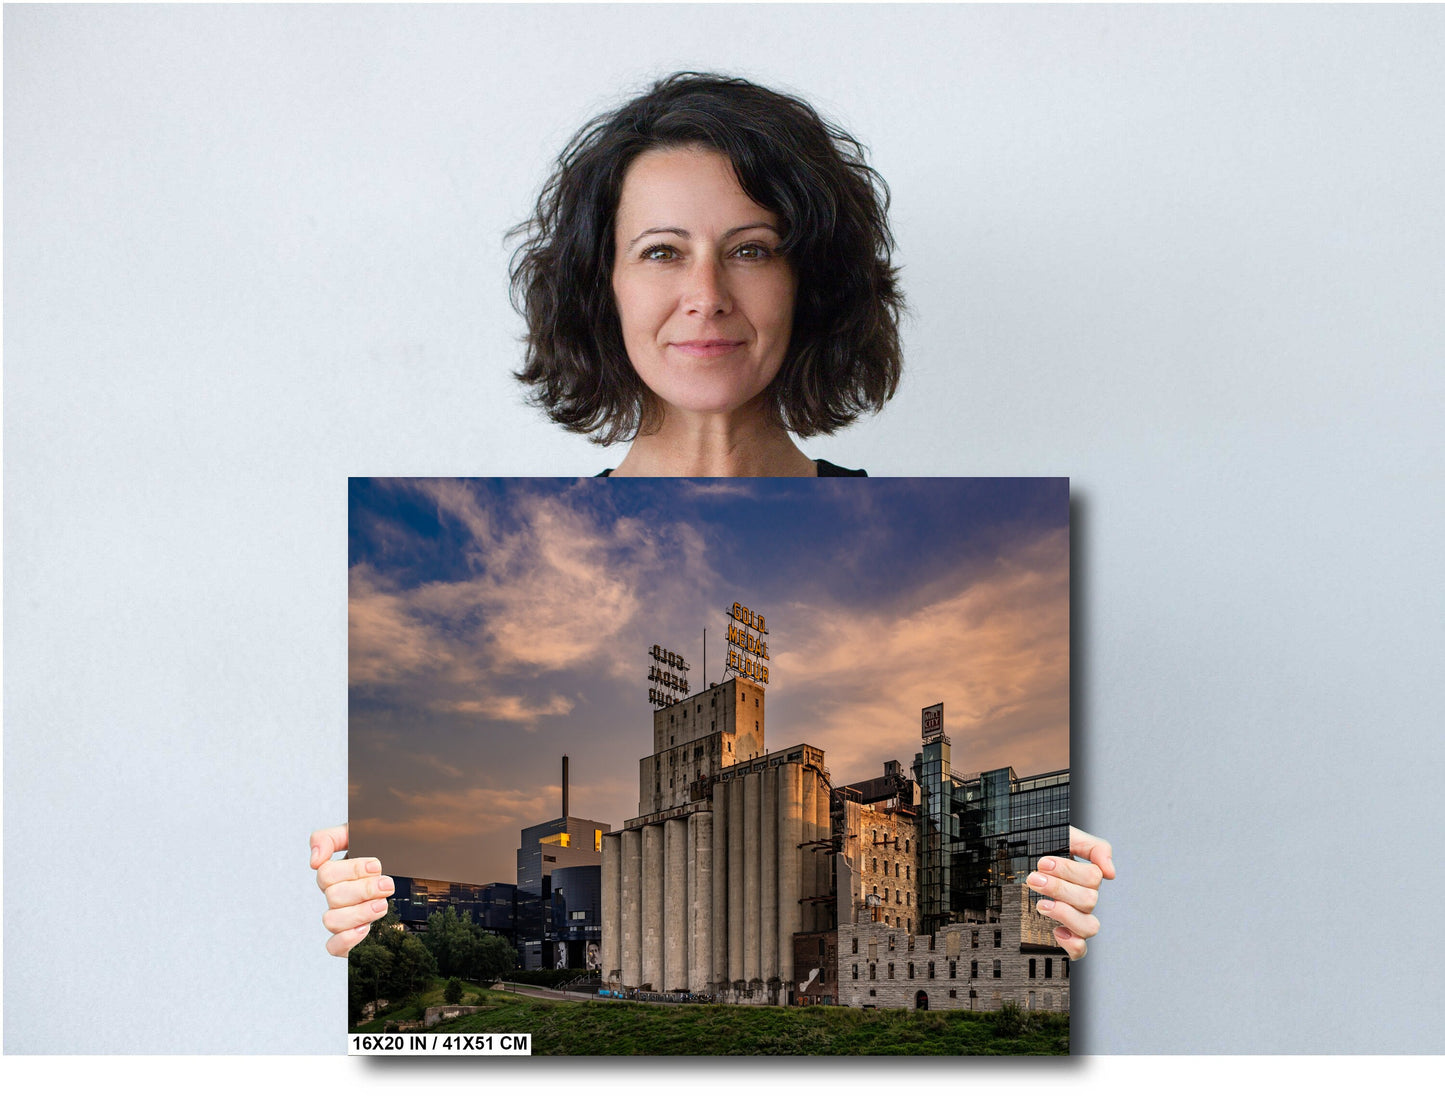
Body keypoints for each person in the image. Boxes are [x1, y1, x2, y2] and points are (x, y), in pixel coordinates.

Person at [314, 72, 1114, 961]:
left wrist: (1076, 924)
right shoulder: (540, 526)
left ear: (809, 284)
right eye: (661, 251)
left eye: (752, 248)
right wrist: (345, 922)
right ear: (602, 286)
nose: (707, 294)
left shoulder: (979, 535)